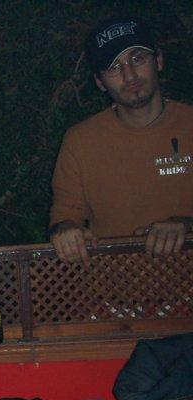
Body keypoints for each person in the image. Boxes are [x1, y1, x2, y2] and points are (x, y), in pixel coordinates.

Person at [49, 17, 193, 264]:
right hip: (110, 284)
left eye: (137, 59)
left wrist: (186, 225)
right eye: (114, 67)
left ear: (158, 60)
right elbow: (64, 217)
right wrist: (66, 232)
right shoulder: (80, 141)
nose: (129, 75)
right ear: (99, 82)